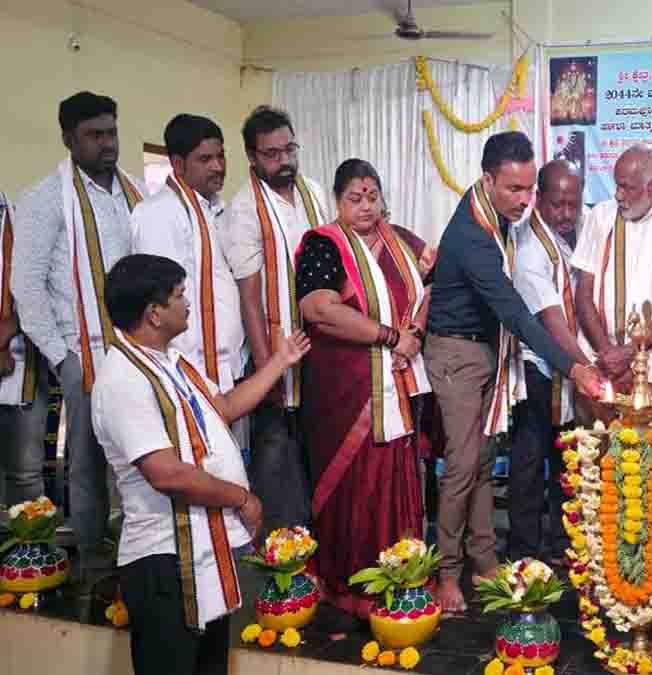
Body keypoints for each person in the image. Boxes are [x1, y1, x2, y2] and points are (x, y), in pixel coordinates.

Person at [93, 253, 308, 675]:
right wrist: (242, 498)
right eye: (179, 295)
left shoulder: (172, 362)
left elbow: (224, 407)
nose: (188, 303)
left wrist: (279, 363)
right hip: (163, 562)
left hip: (200, 552)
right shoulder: (123, 379)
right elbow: (166, 473)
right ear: (154, 314)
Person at [424, 131, 604, 614]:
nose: (525, 201)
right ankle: (447, 575)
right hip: (456, 354)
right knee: (462, 465)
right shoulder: (474, 237)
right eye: (515, 190)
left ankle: (484, 561)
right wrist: (574, 368)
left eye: (529, 189)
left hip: (485, 350)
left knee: (483, 462)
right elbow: (521, 317)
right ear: (488, 180)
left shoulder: (490, 210)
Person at [13, 91, 146, 580]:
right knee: (87, 463)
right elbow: (26, 287)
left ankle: (140, 553)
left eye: (111, 132)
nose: (107, 144)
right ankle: (91, 559)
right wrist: (61, 355)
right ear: (68, 139)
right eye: (94, 135)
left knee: (143, 456)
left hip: (138, 349)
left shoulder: (134, 193)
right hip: (82, 351)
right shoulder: (45, 200)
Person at [294, 159, 432, 617]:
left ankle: (402, 572)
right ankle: (350, 582)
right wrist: (390, 337)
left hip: (400, 381)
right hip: (346, 390)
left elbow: (432, 284)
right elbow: (318, 309)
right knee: (354, 483)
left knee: (398, 477)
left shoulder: (402, 241)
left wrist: (413, 332)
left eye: (372, 196)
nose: (366, 206)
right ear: (338, 201)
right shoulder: (323, 244)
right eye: (355, 198)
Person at [223, 105, 328, 535]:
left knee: (316, 448)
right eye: (271, 154)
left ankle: (321, 546)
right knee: (277, 455)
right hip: (275, 349)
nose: (284, 161)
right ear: (252, 156)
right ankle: (281, 554)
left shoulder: (314, 192)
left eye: (289, 149)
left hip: (322, 343)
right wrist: (269, 370)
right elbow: (249, 297)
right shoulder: (243, 209)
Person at [573, 144, 652, 413]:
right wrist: (608, 355)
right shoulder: (599, 216)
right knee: (593, 453)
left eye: (627, 187)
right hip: (598, 367)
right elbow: (583, 294)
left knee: (648, 453)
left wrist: (629, 353)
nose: (618, 195)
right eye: (616, 185)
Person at [509, 159, 592, 563]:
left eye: (572, 204)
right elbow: (553, 319)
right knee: (529, 459)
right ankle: (524, 550)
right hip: (536, 366)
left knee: (566, 456)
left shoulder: (578, 230)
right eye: (557, 204)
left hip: (569, 366)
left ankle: (562, 542)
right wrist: (586, 367)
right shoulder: (528, 247)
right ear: (538, 198)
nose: (565, 213)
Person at [132, 114, 245, 400]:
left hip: (228, 367)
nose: (218, 166)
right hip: (189, 371)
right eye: (205, 159)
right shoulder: (158, 214)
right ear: (178, 164)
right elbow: (162, 301)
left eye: (220, 156)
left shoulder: (220, 209)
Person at [0, 192, 49, 505]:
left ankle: (27, 550)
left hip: (20, 364)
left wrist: (7, 331)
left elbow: (43, 288)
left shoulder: (23, 222)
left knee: (25, 473)